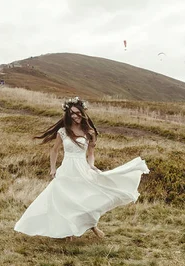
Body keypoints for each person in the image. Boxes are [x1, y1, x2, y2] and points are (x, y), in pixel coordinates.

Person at [14, 97, 149, 239]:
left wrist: (91, 165)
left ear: (82, 113)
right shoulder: (63, 132)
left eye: (77, 113)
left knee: (85, 200)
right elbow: (54, 151)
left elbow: (91, 154)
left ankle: (93, 227)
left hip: (82, 169)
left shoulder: (89, 132)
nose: (75, 116)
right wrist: (52, 169)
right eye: (72, 113)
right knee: (64, 201)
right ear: (68, 114)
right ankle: (68, 232)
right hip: (66, 169)